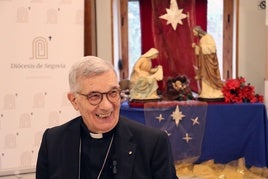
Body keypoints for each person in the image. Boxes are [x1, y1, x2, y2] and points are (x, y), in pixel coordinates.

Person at [36, 56, 178, 179]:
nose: (107, 106)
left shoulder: (153, 143)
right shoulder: (53, 141)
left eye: (113, 93)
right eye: (94, 96)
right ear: (74, 100)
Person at [192, 26, 224, 100]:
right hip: (204, 63)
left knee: (210, 76)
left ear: (198, 31)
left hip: (210, 62)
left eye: (194, 32)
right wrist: (196, 47)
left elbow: (212, 48)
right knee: (204, 76)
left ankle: (214, 91)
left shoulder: (208, 37)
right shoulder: (201, 39)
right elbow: (199, 52)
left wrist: (200, 48)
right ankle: (206, 92)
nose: (194, 34)